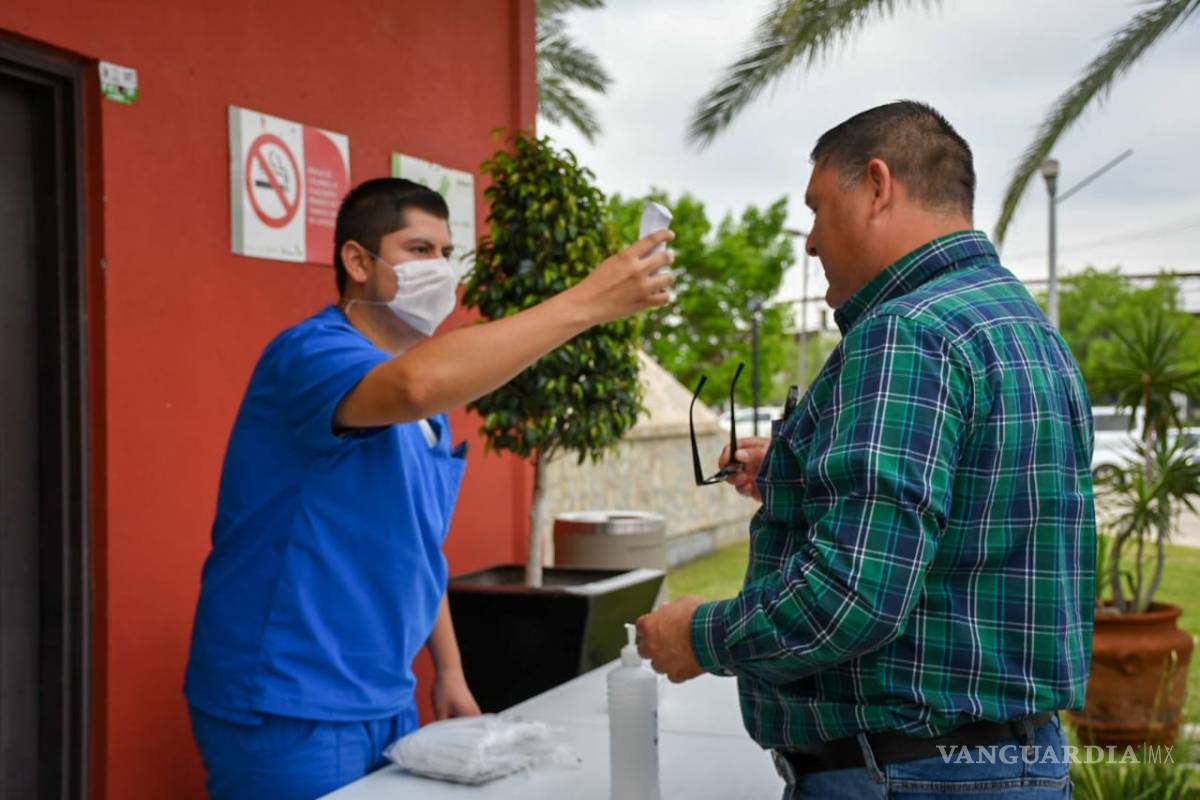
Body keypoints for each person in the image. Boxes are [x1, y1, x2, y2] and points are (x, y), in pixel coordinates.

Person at [636, 101, 1095, 799]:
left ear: (878, 186)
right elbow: (976, 503)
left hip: (908, 773)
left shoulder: (905, 333)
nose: (811, 242)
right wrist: (796, 469)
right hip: (1011, 763)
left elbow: (852, 595)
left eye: (817, 208)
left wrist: (699, 636)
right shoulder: (1022, 325)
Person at [184, 177, 674, 799]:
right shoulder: (310, 356)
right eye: (418, 250)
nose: (439, 269)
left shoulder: (426, 414)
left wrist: (450, 670)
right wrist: (588, 301)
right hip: (288, 699)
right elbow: (414, 385)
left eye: (446, 253)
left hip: (385, 695)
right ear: (358, 260)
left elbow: (418, 547)